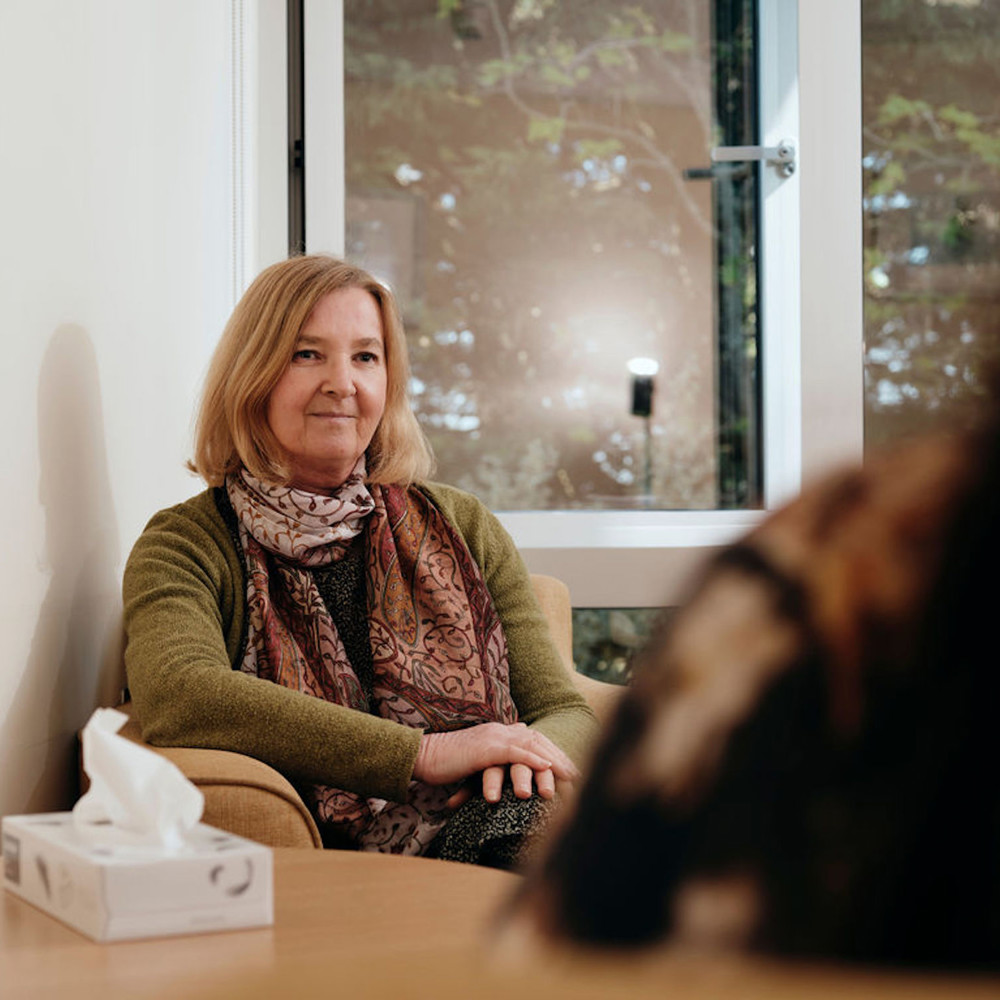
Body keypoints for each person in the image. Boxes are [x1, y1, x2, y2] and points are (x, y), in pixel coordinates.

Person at [123, 254, 598, 865]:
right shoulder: (185, 543)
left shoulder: (462, 523)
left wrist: (512, 765)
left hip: (501, 818)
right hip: (333, 861)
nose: (342, 383)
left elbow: (562, 710)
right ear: (253, 375)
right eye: (307, 354)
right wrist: (424, 755)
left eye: (365, 357)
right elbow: (181, 694)